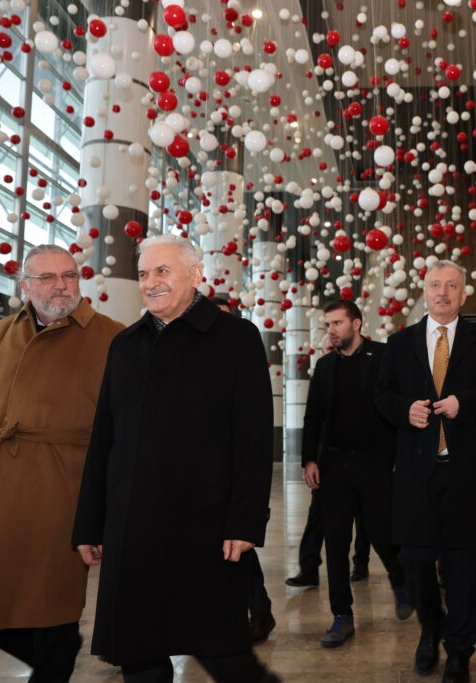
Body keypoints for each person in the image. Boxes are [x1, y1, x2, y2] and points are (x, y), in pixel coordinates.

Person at [72, 235, 280, 683]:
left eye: (163, 271)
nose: (151, 282)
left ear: (196, 275)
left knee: (223, 652)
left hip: (205, 524)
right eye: (144, 274)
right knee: (138, 652)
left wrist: (246, 521)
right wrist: (90, 522)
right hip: (132, 525)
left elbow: (254, 438)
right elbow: (104, 438)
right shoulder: (125, 345)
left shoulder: (236, 338)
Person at [0, 244, 123, 682]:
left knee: (51, 608)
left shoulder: (112, 337)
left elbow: (126, 432)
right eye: (47, 278)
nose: (61, 285)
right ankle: (57, 656)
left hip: (64, 489)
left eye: (69, 275)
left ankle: (55, 660)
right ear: (25, 285)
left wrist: (109, 511)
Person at [377, 260, 476, 683]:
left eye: (452, 285)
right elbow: (381, 396)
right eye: (435, 284)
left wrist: (463, 404)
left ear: (463, 294)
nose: (443, 292)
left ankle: (459, 650)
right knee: (415, 564)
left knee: (464, 570)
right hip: (415, 475)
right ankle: (430, 628)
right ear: (424, 291)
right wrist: (405, 410)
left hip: (466, 473)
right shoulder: (399, 343)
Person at [300, 299, 412, 648]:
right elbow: (313, 416)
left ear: (357, 324)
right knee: (335, 541)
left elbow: (399, 408)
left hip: (375, 463)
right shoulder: (325, 366)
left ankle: (400, 579)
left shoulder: (384, 357)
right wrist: (309, 460)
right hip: (334, 465)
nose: (331, 330)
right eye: (328, 325)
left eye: (337, 323)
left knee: (382, 533)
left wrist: (400, 456)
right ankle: (342, 615)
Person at [211, 297, 276, 644]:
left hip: (237, 478)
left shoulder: (242, 360)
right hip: (206, 478)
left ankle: (258, 610)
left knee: (240, 550)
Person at [286, 332, 371, 589]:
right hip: (327, 461)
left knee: (364, 515)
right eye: (325, 349)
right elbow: (312, 420)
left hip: (360, 458)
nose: (329, 353)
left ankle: (361, 562)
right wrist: (309, 460)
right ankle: (309, 567)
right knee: (318, 514)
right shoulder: (322, 378)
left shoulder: (358, 375)